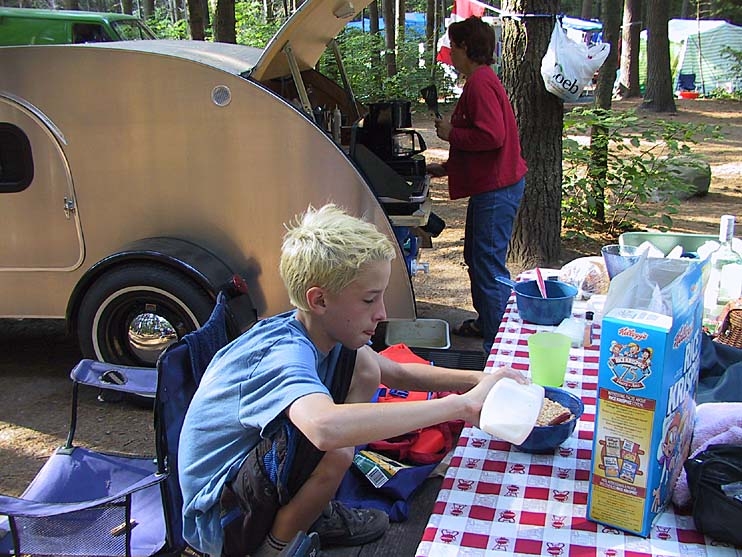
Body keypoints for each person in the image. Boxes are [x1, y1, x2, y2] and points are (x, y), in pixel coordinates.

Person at [178, 203, 527, 557]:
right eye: (368, 299)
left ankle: (312, 509)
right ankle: (275, 548)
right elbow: (324, 427)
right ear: (319, 299)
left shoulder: (321, 328)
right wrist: (460, 407)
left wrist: (477, 379)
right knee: (338, 449)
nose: (382, 313)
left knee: (366, 367)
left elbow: (394, 370)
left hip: (252, 480)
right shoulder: (282, 354)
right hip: (221, 518)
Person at [427, 16, 528, 354]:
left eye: (453, 47)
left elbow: (491, 136)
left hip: (497, 189)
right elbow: (482, 140)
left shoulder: (481, 82)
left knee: (487, 264)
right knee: (477, 257)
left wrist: (450, 133)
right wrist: (447, 167)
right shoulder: (479, 80)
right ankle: (489, 323)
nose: (450, 53)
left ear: (466, 48)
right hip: (493, 185)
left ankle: (498, 347)